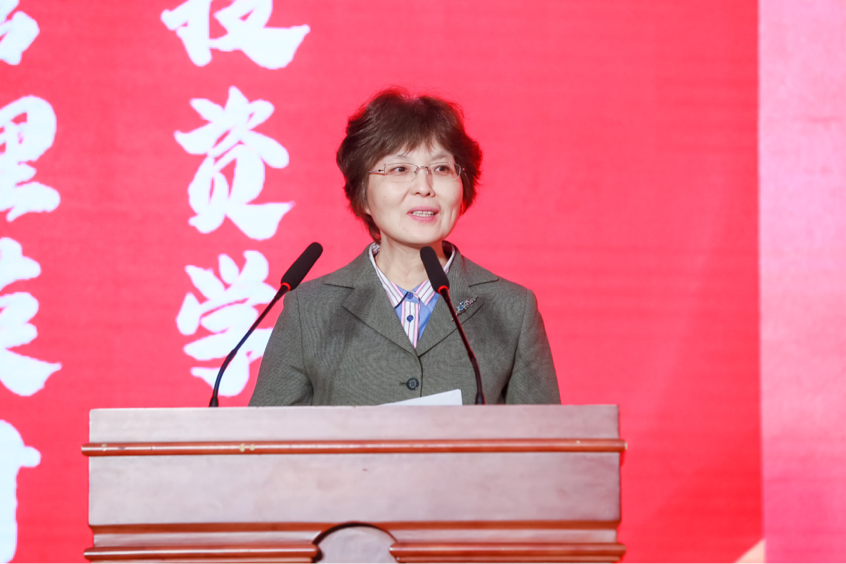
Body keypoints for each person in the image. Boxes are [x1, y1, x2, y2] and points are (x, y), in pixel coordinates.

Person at [250, 88, 560, 406]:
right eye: (400, 169)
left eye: (441, 169)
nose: (424, 187)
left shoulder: (512, 309)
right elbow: (265, 435)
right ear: (362, 194)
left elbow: (544, 436)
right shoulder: (309, 310)